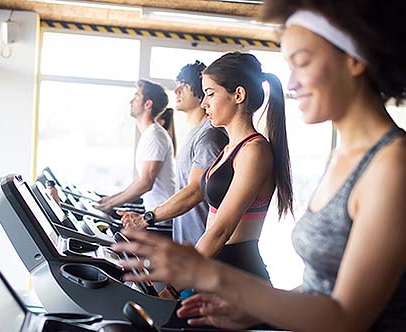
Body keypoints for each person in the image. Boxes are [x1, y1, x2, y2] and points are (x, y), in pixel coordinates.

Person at [113, 0, 406, 331]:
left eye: (302, 63)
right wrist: (253, 311)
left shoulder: (397, 166)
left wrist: (204, 272)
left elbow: (346, 318)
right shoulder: (344, 157)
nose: (293, 85)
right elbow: (324, 287)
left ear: (353, 59)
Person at [123, 52, 294, 296]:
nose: (204, 103)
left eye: (211, 94)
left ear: (238, 95)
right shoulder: (228, 149)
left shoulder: (254, 151)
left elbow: (221, 230)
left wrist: (175, 286)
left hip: (238, 273)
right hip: (216, 266)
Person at [120, 61, 228, 247]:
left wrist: (147, 218)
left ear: (201, 90)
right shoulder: (195, 134)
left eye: (184, 85)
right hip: (186, 241)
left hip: (201, 246)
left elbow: (195, 191)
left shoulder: (209, 136)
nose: (176, 90)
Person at [95, 80, 175, 212]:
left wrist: (110, 205)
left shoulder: (155, 135)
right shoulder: (149, 134)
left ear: (148, 104)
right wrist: (111, 199)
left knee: (122, 231)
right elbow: (141, 179)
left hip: (164, 215)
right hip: (155, 210)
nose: (131, 101)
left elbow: (146, 183)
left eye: (137, 97)